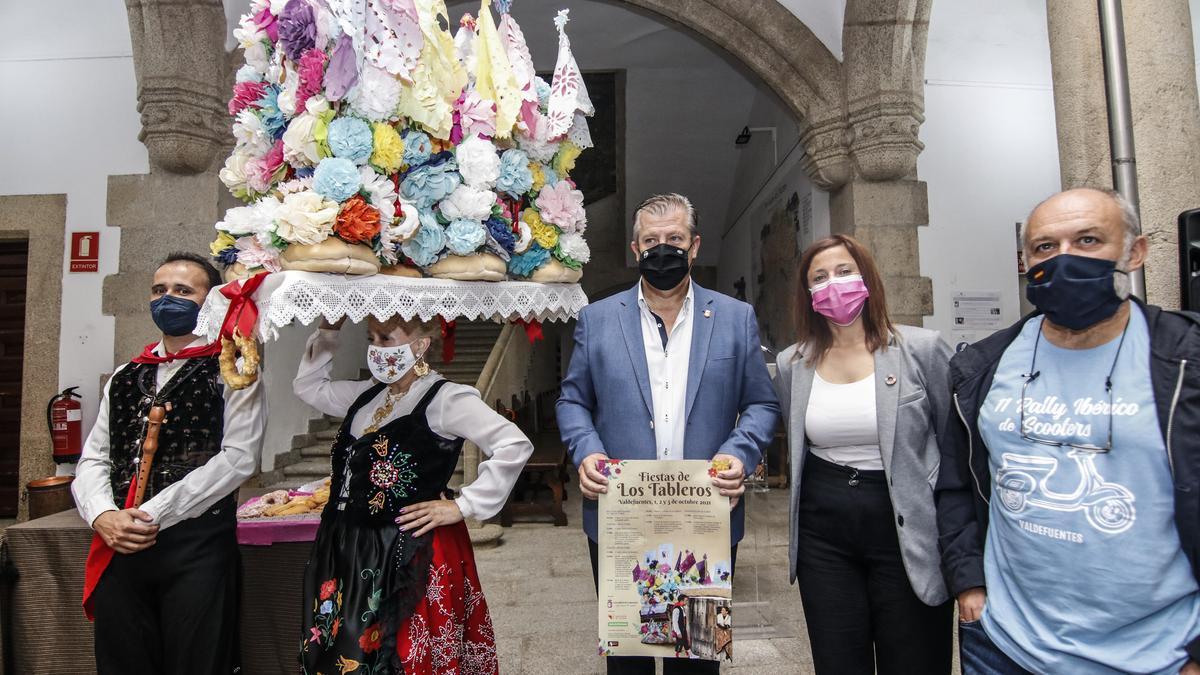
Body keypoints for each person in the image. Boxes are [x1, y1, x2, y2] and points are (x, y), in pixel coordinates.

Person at [935, 187, 1200, 674]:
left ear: (1134, 252)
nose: (1063, 260)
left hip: (1158, 653)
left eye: (1088, 240)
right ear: (1025, 260)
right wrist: (969, 583)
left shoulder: (1186, 361)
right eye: (1044, 247)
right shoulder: (982, 366)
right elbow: (955, 485)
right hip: (1005, 645)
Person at [557, 192, 779, 674]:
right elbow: (573, 400)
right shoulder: (597, 320)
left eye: (674, 239)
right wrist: (587, 452)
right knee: (631, 660)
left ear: (694, 246)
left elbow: (761, 403)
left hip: (704, 517)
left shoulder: (735, 318)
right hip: (622, 517)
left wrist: (739, 453)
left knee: (696, 660)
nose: (664, 249)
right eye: (651, 240)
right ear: (635, 250)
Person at [294, 314, 533, 674]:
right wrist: (329, 328)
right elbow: (309, 387)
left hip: (408, 550)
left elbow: (513, 444)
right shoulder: (367, 395)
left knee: (402, 653)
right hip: (348, 544)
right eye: (371, 338)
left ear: (420, 345)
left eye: (386, 338)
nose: (375, 349)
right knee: (344, 651)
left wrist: (463, 504)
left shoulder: (446, 398)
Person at [72, 252, 265, 674]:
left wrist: (152, 513)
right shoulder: (126, 373)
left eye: (183, 291)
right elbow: (95, 457)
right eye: (160, 290)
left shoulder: (233, 370)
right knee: (123, 660)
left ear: (210, 300)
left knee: (197, 661)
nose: (168, 299)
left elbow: (239, 458)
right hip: (120, 543)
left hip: (195, 545)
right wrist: (103, 514)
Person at [774, 235, 953, 674]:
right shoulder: (792, 364)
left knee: (912, 658)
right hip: (824, 534)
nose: (833, 283)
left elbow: (953, 443)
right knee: (838, 660)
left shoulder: (922, 349)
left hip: (904, 528)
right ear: (808, 294)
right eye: (819, 277)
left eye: (844, 271)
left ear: (867, 279)